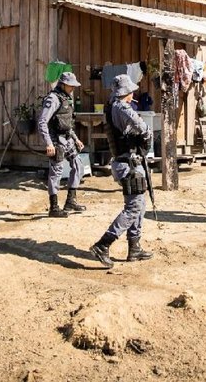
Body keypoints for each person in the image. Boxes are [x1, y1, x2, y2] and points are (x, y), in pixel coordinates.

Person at [90, 75, 154, 268]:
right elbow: (142, 127)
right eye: (130, 91)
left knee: (139, 205)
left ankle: (134, 248)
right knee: (134, 207)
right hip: (128, 164)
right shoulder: (121, 107)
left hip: (127, 162)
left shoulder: (112, 106)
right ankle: (103, 244)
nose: (133, 94)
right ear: (125, 93)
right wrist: (146, 134)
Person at [38, 72, 86, 218]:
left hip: (68, 139)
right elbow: (42, 122)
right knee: (56, 173)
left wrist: (76, 139)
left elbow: (67, 123)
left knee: (78, 165)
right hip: (56, 141)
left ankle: (71, 200)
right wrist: (48, 143)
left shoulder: (66, 98)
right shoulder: (52, 99)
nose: (73, 88)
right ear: (63, 84)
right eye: (70, 85)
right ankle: (54, 207)